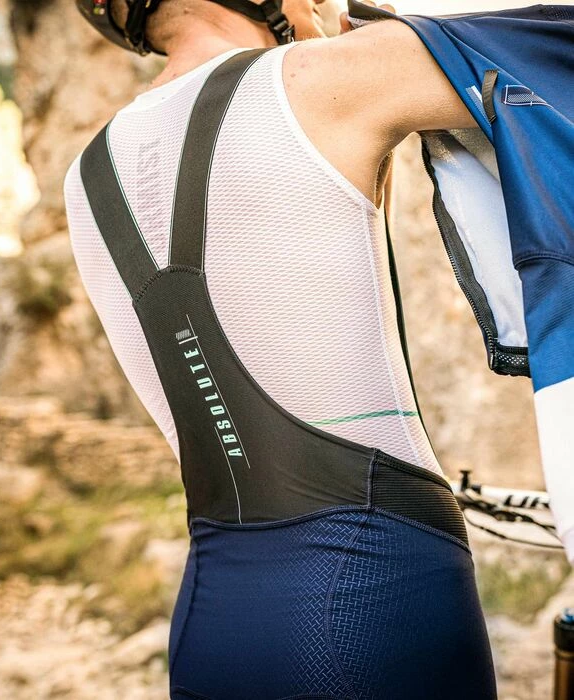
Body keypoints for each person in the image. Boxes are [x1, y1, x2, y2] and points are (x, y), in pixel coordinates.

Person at [63, 0, 499, 697]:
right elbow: (541, 62)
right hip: (373, 601)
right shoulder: (318, 78)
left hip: (213, 615)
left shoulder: (85, 174)